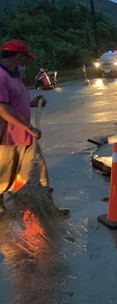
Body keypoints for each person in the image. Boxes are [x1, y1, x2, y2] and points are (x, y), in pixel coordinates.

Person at [0, 39, 67, 214]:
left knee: (39, 171)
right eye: (24, 59)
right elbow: (3, 108)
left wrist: (32, 102)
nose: (26, 63)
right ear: (15, 57)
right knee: (4, 176)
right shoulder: (1, 76)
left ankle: (47, 208)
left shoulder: (15, 76)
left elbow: (14, 101)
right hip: (8, 137)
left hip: (24, 135)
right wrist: (28, 128)